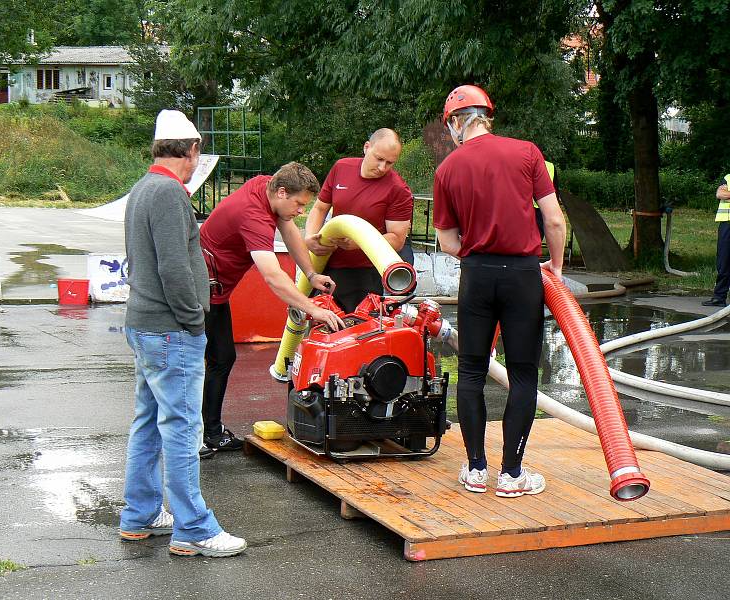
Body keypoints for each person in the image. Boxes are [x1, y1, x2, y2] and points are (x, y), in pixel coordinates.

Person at [119, 109, 246, 557]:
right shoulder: (170, 193)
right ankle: (193, 527)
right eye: (198, 153)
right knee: (182, 427)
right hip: (172, 330)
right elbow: (174, 267)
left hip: (145, 324)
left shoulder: (141, 189)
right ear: (191, 151)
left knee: (149, 423)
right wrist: (195, 319)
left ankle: (140, 515)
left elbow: (143, 259)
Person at [433, 85, 567, 498]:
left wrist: (476, 254)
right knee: (523, 373)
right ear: (487, 115)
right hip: (524, 275)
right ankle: (512, 474)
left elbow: (446, 241)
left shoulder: (448, 169)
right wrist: (556, 268)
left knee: (471, 370)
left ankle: (475, 470)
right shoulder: (527, 153)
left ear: (456, 123)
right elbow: (554, 220)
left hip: (476, 275)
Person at [200, 163, 345, 452]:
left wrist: (311, 274)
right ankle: (206, 435)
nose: (301, 211)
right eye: (299, 204)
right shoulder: (252, 214)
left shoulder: (266, 187)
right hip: (200, 292)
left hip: (213, 289)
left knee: (220, 358)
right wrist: (312, 309)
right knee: (209, 360)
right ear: (281, 192)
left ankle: (208, 431)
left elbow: (289, 230)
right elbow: (272, 275)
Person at [304, 128, 414, 313]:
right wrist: (311, 237)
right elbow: (320, 208)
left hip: (364, 273)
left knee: (358, 336)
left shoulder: (398, 189)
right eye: (379, 159)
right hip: (327, 265)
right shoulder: (341, 168)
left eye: (389, 163)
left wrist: (358, 243)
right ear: (366, 147)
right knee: (321, 331)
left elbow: (397, 239)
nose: (382, 168)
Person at [701, 174, 730, 307]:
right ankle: (719, 297)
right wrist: (725, 193)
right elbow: (720, 194)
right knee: (723, 261)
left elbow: (726, 194)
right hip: (726, 224)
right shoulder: (728, 177)